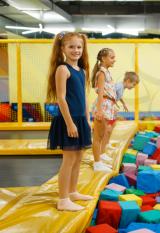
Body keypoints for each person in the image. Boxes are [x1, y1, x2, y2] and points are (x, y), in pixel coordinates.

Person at [47, 32, 93, 211]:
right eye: (71, 47)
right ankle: (63, 199)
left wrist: (87, 119)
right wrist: (70, 123)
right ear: (63, 48)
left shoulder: (81, 70)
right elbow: (61, 98)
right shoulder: (62, 69)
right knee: (69, 159)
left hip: (80, 119)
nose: (76, 50)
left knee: (79, 157)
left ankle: (72, 191)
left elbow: (84, 98)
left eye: (79, 47)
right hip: (69, 119)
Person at [98, 72, 139, 153]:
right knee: (108, 127)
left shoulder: (122, 87)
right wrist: (113, 105)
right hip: (108, 108)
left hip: (111, 108)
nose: (133, 87)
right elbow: (111, 94)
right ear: (127, 81)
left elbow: (119, 95)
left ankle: (106, 142)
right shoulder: (119, 86)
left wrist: (123, 104)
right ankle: (103, 145)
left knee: (112, 125)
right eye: (133, 84)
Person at [91, 48, 117, 172]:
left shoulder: (106, 72)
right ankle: (97, 164)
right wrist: (99, 110)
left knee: (102, 134)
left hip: (108, 105)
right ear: (103, 58)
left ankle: (100, 157)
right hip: (103, 105)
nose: (114, 60)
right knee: (97, 136)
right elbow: (101, 93)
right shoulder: (101, 72)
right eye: (112, 57)